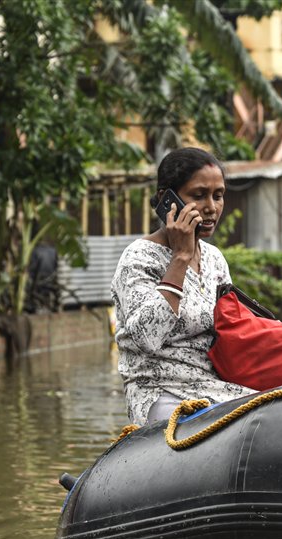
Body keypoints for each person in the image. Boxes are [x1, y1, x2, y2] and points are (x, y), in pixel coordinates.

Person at [110, 147, 252, 426]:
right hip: (158, 391)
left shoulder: (214, 259)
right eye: (198, 196)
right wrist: (180, 258)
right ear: (167, 200)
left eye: (218, 195)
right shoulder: (138, 258)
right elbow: (146, 337)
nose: (211, 207)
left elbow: (229, 330)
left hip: (215, 386)